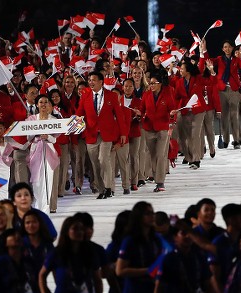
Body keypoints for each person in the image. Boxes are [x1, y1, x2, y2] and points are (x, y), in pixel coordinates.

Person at [75, 71, 127, 199]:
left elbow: (120, 116)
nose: (91, 82)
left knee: (104, 160)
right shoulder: (85, 96)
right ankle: (101, 188)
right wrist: (75, 129)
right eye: (89, 80)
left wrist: (123, 134)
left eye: (93, 80)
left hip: (106, 134)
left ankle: (108, 187)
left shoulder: (111, 96)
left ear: (100, 82)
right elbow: (79, 114)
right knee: (95, 164)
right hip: (91, 134)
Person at [39, 215, 103, 293]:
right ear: (66, 231)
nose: (79, 232)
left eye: (81, 229)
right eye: (75, 229)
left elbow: (98, 280)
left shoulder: (89, 252)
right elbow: (42, 275)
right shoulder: (56, 253)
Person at [200, 39, 241, 149]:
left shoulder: (236, 59)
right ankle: (225, 140)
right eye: (225, 47)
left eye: (229, 47)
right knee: (224, 116)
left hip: (234, 90)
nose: (227, 49)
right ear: (222, 49)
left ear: (232, 48)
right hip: (222, 90)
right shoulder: (219, 59)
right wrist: (204, 50)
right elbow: (208, 61)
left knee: (234, 115)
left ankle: (237, 140)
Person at [136, 71, 176, 192]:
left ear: (160, 84)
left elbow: (173, 110)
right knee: (153, 156)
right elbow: (142, 110)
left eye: (154, 83)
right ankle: (156, 177)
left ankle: (160, 182)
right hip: (149, 128)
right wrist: (139, 115)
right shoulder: (146, 95)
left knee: (160, 155)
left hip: (162, 129)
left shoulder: (167, 94)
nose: (151, 85)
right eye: (150, 83)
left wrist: (172, 118)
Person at [154, 219, 217, 293]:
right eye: (183, 233)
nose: (187, 236)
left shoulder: (199, 256)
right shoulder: (167, 257)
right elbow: (159, 285)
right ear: (175, 237)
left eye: (189, 234)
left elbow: (208, 283)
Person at [0, 111, 29, 206]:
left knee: (3, 189)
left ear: (4, 129)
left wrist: (31, 138)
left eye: (0, 128)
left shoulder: (9, 140)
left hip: (5, 169)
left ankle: (4, 207)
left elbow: (23, 147)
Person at [115, 201, 164, 292]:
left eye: (152, 213)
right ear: (139, 217)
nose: (152, 216)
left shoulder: (156, 238)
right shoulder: (130, 241)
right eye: (147, 214)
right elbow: (120, 271)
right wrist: (148, 270)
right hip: (134, 289)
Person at [26, 94, 60, 213]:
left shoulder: (54, 120)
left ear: (50, 105)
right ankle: (37, 208)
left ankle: (45, 210)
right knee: (37, 181)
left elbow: (55, 139)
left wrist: (48, 137)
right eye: (41, 102)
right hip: (35, 151)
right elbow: (28, 138)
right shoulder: (31, 119)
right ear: (37, 105)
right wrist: (35, 132)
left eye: (46, 102)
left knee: (48, 180)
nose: (43, 104)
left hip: (49, 151)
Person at [172, 60, 207, 169]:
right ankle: (190, 157)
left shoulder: (198, 79)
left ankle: (196, 160)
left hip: (198, 110)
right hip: (185, 111)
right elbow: (176, 97)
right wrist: (175, 109)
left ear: (188, 70)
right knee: (186, 136)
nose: (180, 70)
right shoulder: (179, 82)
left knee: (194, 134)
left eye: (182, 69)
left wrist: (211, 71)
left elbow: (211, 81)